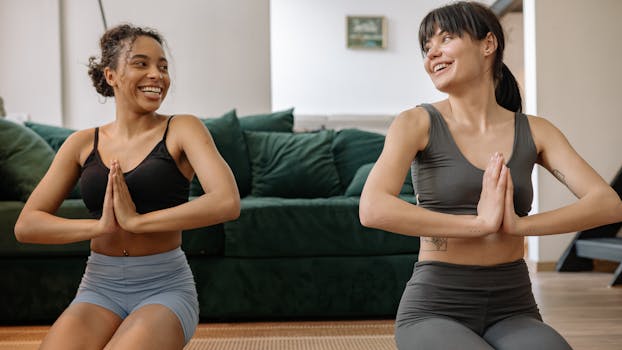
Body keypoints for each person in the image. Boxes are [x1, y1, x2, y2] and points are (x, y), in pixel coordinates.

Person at [359, 2, 622, 349]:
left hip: (513, 305)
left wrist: (518, 225)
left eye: (446, 38)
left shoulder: (537, 131)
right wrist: (479, 225)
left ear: (488, 45)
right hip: (436, 304)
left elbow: (608, 204)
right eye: (426, 47)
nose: (432, 53)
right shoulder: (416, 123)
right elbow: (373, 208)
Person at [14, 24, 240, 349]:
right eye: (140, 63)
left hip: (164, 287)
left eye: (163, 66)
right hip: (98, 287)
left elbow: (226, 201)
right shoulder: (81, 143)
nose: (156, 75)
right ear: (111, 76)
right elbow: (27, 225)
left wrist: (137, 222)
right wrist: (100, 227)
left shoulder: (182, 129)